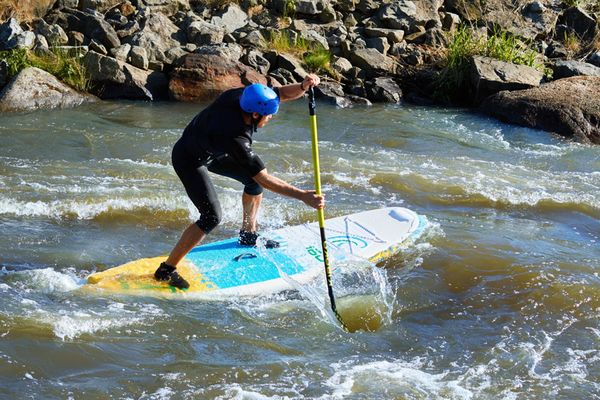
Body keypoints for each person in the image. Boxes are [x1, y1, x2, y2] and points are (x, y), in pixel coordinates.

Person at [154, 75, 325, 289]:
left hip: (212, 149)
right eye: (268, 115)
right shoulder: (236, 136)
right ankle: (166, 270)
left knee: (253, 184)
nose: (270, 118)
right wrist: (303, 196)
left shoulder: (245, 96)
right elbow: (264, 177)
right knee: (212, 217)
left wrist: (302, 87)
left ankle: (248, 235)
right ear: (255, 114)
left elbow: (280, 93)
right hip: (189, 158)